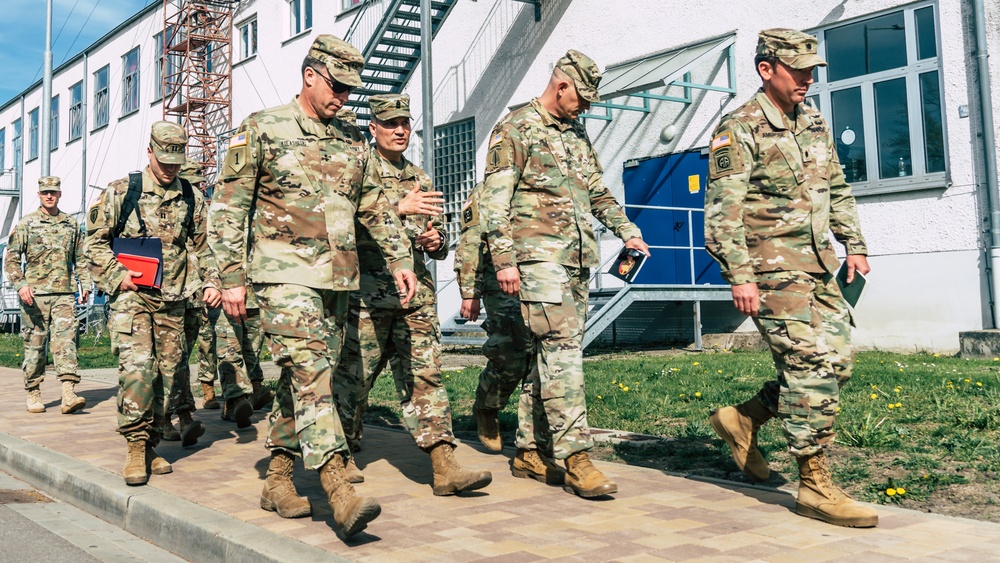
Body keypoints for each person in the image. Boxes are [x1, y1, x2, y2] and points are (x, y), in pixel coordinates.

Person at [209, 35, 418, 540]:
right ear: (310, 75)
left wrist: (400, 258)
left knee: (302, 380)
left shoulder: (351, 140)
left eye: (351, 89)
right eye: (336, 86)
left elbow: (372, 205)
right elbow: (229, 207)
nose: (343, 97)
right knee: (310, 369)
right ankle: (337, 488)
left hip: (338, 280)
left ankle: (277, 479)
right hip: (282, 275)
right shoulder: (263, 128)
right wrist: (231, 277)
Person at [704, 29, 877, 528]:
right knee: (810, 369)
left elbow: (837, 186)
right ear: (766, 69)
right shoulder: (739, 128)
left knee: (837, 365)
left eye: (811, 71)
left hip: (820, 265)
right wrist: (740, 275)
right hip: (771, 271)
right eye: (798, 70)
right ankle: (814, 483)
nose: (807, 79)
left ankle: (744, 418)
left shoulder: (813, 121)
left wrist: (855, 244)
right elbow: (721, 213)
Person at [479, 50, 648, 498]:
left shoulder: (575, 133)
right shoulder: (516, 128)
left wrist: (627, 231)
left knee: (549, 358)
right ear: (561, 86)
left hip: (576, 261)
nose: (587, 107)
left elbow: (596, 191)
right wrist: (504, 260)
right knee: (563, 353)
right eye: (583, 98)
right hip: (537, 260)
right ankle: (576, 457)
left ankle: (530, 451)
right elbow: (493, 201)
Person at [331, 94, 492, 495]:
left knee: (426, 376)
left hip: (413, 298)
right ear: (373, 129)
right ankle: (342, 453)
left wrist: (436, 240)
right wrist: (398, 210)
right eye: (390, 123)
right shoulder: (355, 170)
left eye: (404, 122)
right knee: (355, 379)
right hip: (366, 297)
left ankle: (444, 464)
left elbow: (438, 241)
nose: (400, 130)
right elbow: (337, 226)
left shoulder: (419, 177)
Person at [86, 121, 221, 486]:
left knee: (167, 375)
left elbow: (203, 246)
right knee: (138, 371)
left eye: (177, 163)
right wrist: (118, 278)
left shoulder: (192, 196)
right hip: (133, 298)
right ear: (150, 153)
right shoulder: (122, 191)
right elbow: (93, 244)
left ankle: (152, 445)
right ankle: (134, 446)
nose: (171, 170)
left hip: (174, 300)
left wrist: (211, 281)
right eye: (165, 162)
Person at [454, 183, 542, 468]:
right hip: (499, 283)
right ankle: (487, 407)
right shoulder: (488, 191)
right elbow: (470, 243)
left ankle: (535, 437)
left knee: (543, 358)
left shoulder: (545, 185)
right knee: (510, 355)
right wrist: (470, 292)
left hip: (542, 280)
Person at [5, 176, 92, 414]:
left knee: (66, 343)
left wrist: (85, 283)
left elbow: (81, 258)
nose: (50, 196)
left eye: (53, 192)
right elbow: (11, 259)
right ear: (39, 195)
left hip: (64, 294)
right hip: (34, 297)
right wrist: (21, 284)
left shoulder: (70, 224)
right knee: (35, 345)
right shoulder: (26, 224)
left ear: (60, 194)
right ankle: (33, 391)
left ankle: (68, 393)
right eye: (45, 193)